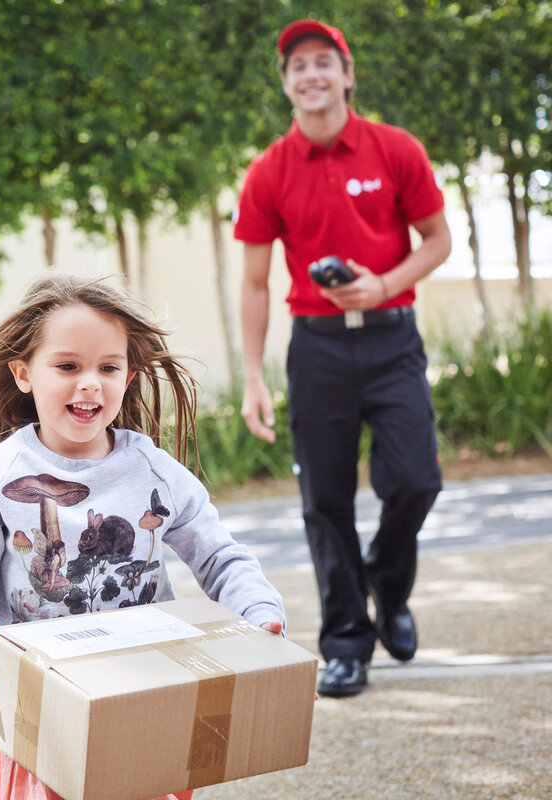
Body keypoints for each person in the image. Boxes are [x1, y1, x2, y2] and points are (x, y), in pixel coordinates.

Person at [0, 272, 286, 800]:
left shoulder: (154, 471)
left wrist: (259, 613)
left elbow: (220, 558)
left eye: (108, 367)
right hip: (40, 700)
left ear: (129, 376)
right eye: (67, 366)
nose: (90, 382)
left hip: (145, 692)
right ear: (23, 373)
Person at [233, 19, 452, 698]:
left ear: (347, 74)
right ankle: (346, 645)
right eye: (297, 66)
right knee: (324, 501)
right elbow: (254, 281)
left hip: (392, 337)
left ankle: (387, 584)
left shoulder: (394, 149)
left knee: (416, 481)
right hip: (318, 347)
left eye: (323, 61)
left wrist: (384, 283)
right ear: (286, 85)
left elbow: (438, 238)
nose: (311, 74)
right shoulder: (269, 170)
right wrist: (252, 377)